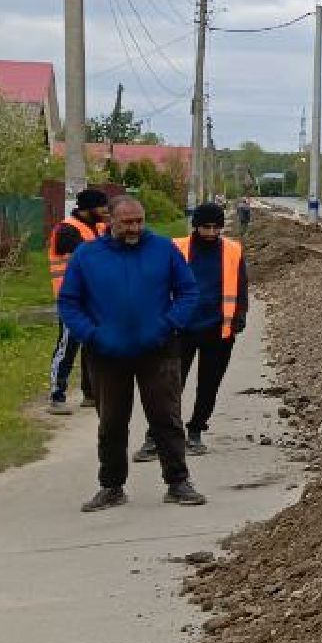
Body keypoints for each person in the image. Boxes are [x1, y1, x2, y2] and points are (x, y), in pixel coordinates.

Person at [56, 195, 206, 511]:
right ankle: (111, 486)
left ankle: (178, 482)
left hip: (158, 349)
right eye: (127, 222)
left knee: (166, 418)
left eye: (139, 221)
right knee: (111, 422)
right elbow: (69, 302)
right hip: (107, 353)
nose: (134, 228)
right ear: (110, 221)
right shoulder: (87, 255)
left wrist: (169, 325)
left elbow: (188, 292)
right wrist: (91, 335)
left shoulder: (163, 249)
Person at [143, 203, 245, 458]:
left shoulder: (233, 250)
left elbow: (241, 286)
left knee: (209, 385)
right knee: (169, 386)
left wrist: (239, 317)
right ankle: (156, 435)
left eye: (216, 227)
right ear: (196, 226)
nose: (211, 233)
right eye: (205, 227)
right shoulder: (176, 248)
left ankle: (196, 429)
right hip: (180, 330)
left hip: (218, 330)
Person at [44, 188, 109, 415]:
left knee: (92, 346)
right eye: (102, 206)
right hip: (71, 299)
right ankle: (56, 396)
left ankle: (90, 394)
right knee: (68, 346)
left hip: (93, 298)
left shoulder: (98, 227)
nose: (106, 210)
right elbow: (90, 257)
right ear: (88, 208)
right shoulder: (67, 230)